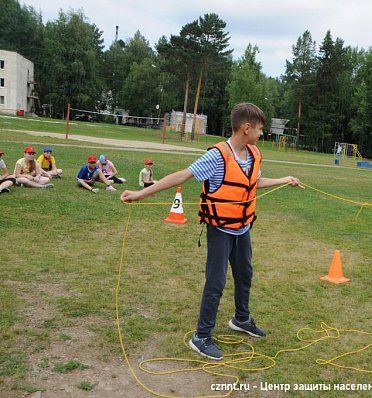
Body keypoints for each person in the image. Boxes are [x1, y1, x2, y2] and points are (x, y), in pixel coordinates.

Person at [121, 103, 301, 360]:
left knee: (245, 274)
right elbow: (181, 176)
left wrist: (285, 179)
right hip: (220, 229)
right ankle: (201, 336)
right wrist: (140, 194)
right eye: (260, 129)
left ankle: (241, 319)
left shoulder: (252, 154)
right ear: (246, 128)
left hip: (243, 228)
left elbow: (255, 182)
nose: (262, 134)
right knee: (216, 282)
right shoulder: (217, 156)